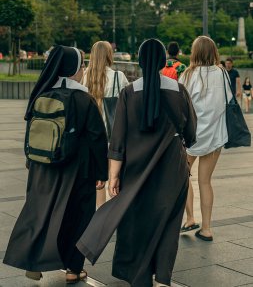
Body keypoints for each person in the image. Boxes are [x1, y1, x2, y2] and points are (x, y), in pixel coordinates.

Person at [77, 39, 197, 287]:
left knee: (136, 222)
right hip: (173, 169)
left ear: (140, 61)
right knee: (168, 225)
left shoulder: (129, 93)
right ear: (164, 61)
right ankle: (163, 278)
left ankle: (139, 277)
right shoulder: (179, 90)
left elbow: (118, 141)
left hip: (135, 169)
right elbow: (192, 133)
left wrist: (114, 176)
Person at [3, 45, 108, 284]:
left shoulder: (42, 93)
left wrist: (32, 162)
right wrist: (101, 172)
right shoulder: (83, 98)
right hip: (78, 170)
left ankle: (33, 260)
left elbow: (31, 132)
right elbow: (97, 138)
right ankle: (73, 268)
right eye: (81, 65)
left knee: (39, 212)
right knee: (78, 217)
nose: (83, 70)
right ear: (71, 69)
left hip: (43, 168)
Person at [180, 36, 232, 241]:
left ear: (195, 53)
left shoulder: (188, 74)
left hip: (190, 137)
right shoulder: (222, 74)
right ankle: (207, 228)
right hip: (215, 136)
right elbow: (228, 102)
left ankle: (191, 217)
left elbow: (180, 104)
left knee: (183, 177)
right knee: (205, 182)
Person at [83, 41, 129, 208]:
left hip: (93, 137)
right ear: (110, 55)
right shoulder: (119, 77)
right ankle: (114, 217)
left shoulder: (85, 76)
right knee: (115, 177)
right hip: (114, 136)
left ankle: (98, 218)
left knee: (98, 179)